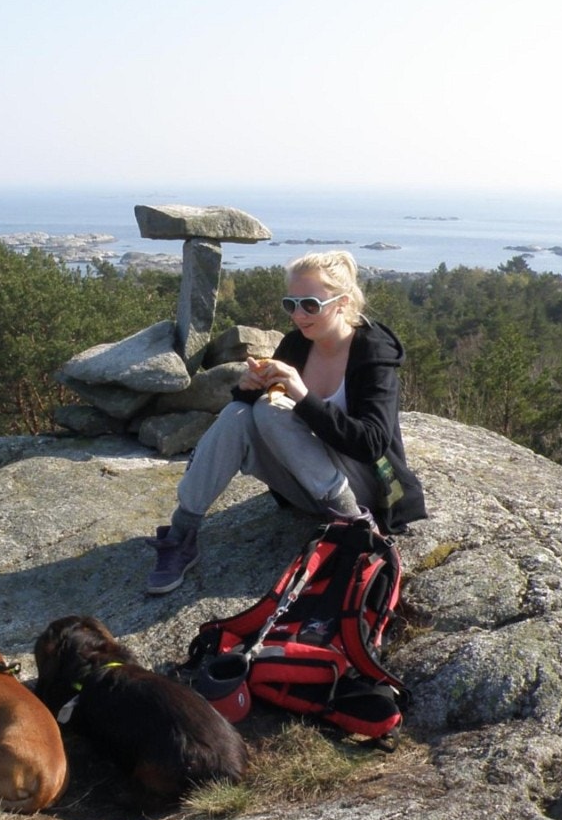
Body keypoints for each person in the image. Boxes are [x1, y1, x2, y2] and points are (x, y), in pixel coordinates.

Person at [145, 250, 427, 595]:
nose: (297, 315)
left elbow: (372, 443)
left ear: (343, 302)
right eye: (289, 304)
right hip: (310, 488)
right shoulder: (297, 344)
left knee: (268, 410)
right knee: (241, 412)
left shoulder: (372, 353)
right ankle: (181, 533)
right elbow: (255, 411)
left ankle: (354, 527)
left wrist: (302, 395)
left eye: (310, 304)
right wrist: (247, 388)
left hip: (366, 491)